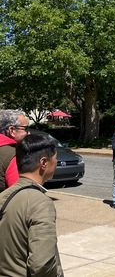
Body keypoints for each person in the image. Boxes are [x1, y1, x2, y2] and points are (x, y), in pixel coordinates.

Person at [0, 132, 63, 276]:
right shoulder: (40, 203)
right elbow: (41, 264)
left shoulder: (4, 196)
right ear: (44, 163)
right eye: (56, 159)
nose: (57, 163)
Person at [0, 110, 30, 193]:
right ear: (12, 130)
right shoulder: (12, 154)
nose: (29, 133)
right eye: (26, 129)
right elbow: (18, 193)